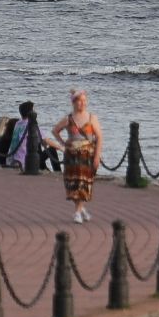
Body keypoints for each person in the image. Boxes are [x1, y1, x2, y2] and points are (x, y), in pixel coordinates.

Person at [51, 89, 102, 223]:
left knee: (83, 183)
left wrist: (97, 156)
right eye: (80, 101)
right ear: (74, 103)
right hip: (71, 156)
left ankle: (77, 213)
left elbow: (100, 137)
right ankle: (81, 209)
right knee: (72, 184)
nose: (83, 104)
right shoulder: (69, 119)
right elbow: (55, 131)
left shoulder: (92, 118)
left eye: (85, 101)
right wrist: (63, 143)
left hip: (87, 155)